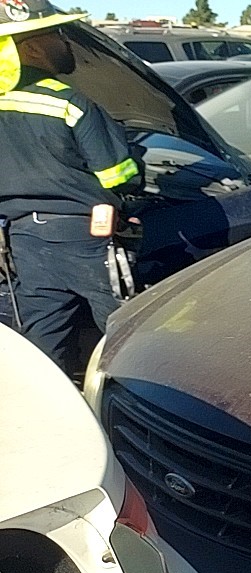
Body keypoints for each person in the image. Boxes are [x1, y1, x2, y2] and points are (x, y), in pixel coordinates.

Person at [0, 1, 141, 375]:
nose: (66, 42)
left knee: (44, 338)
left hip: (23, 238)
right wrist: (134, 165)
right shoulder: (69, 102)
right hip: (85, 237)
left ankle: (51, 418)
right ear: (30, 47)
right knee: (125, 328)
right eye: (57, 35)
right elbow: (117, 175)